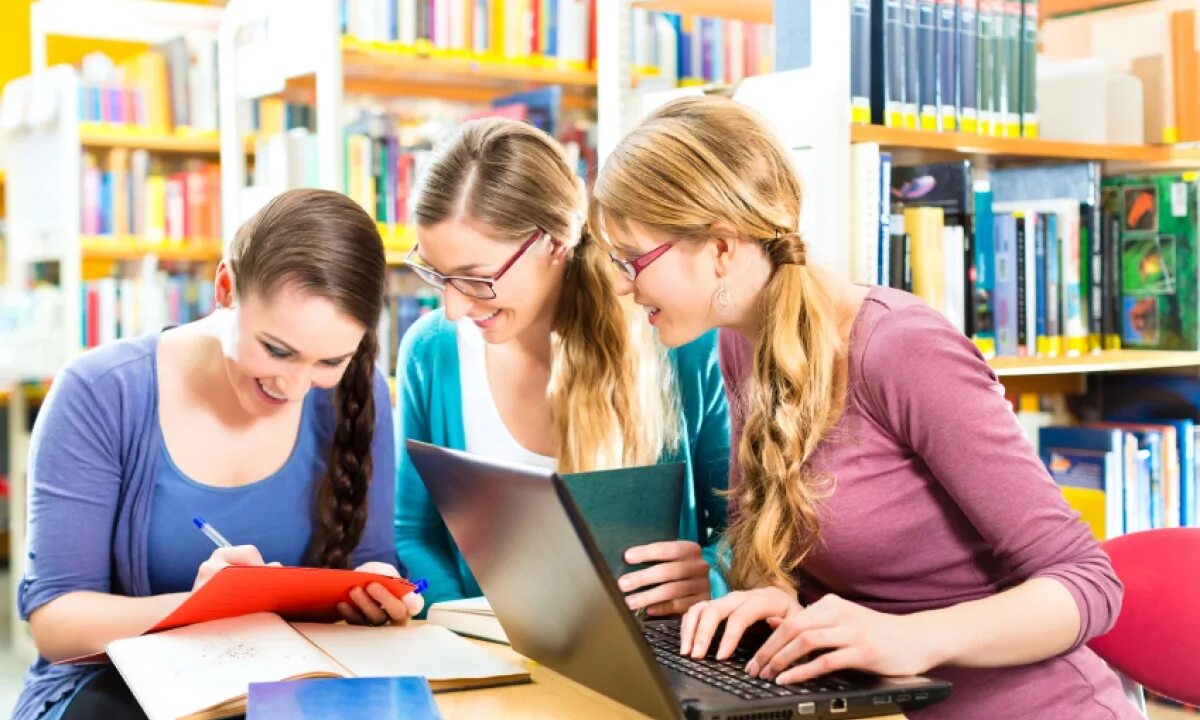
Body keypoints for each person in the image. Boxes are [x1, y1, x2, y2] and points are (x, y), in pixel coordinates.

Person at [587, 96, 1138, 719]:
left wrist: (910, 636)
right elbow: (780, 550)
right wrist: (760, 593)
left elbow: (1089, 582)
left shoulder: (901, 348)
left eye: (632, 259)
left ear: (720, 248)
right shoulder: (738, 342)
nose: (620, 283)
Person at [15, 189, 421, 720]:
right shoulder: (99, 393)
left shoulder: (358, 392)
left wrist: (374, 595)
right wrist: (201, 608)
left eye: (330, 360)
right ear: (225, 288)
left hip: (287, 693)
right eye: (277, 350)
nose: (297, 387)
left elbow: (373, 560)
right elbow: (56, 625)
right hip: (115, 695)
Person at [394, 117, 729, 617]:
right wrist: (464, 623)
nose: (454, 308)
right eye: (436, 274)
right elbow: (414, 533)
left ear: (555, 242)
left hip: (655, 659)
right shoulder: (431, 351)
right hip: (487, 662)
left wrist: (712, 574)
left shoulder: (679, 343)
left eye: (476, 279)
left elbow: (741, 527)